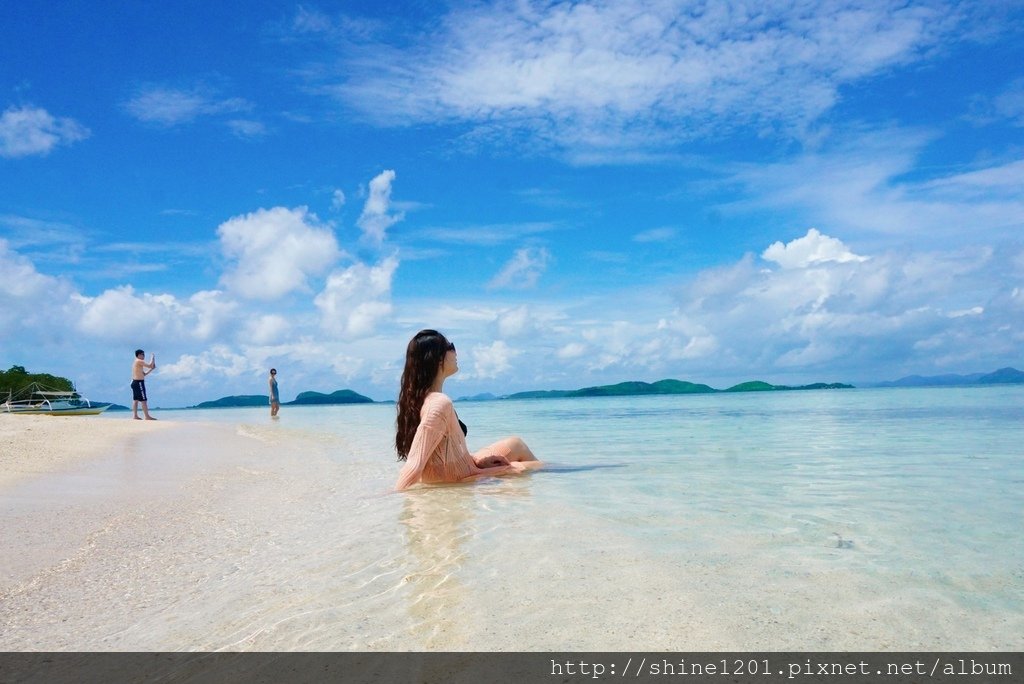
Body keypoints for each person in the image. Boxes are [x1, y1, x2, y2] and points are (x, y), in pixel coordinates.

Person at [394, 329, 541, 491]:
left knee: (516, 443)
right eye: (451, 346)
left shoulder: (422, 398)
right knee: (546, 469)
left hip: (466, 465)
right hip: (463, 477)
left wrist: (477, 461)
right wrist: (391, 498)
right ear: (437, 358)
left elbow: (438, 452)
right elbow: (414, 465)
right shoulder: (438, 403)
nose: (455, 352)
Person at [131, 349, 156, 420]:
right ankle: (147, 416)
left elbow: (144, 374)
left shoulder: (137, 363)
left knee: (135, 400)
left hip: (135, 382)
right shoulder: (139, 361)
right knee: (143, 400)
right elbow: (150, 365)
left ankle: (135, 416)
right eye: (142, 354)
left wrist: (151, 370)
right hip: (139, 383)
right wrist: (152, 357)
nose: (144, 356)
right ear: (138, 355)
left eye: (144, 354)